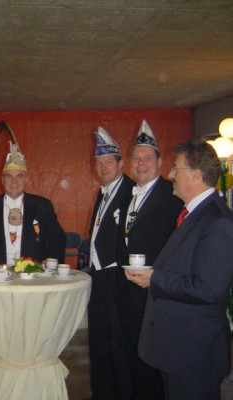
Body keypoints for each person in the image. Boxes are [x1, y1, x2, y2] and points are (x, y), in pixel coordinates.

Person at [127, 141, 233, 400]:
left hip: (194, 352)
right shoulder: (193, 214)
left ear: (196, 175)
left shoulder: (218, 221)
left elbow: (208, 289)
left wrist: (155, 278)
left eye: (176, 169)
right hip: (177, 348)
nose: (170, 175)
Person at [114, 120, 183, 400]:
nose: (141, 163)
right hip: (128, 293)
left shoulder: (172, 195)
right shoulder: (127, 195)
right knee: (132, 356)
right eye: (136, 158)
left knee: (151, 361)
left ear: (159, 162)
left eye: (147, 158)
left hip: (154, 293)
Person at [86, 127, 135, 400]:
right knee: (99, 341)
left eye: (108, 162)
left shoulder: (131, 192)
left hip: (117, 279)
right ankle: (101, 392)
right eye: (99, 162)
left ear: (121, 163)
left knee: (118, 345)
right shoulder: (102, 193)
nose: (103, 167)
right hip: (99, 278)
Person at [0, 142, 65, 265]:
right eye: (9, 176)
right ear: (2, 180)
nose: (14, 182)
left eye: (19, 176)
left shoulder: (42, 206)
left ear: (27, 179)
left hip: (33, 272)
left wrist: (50, 261)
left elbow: (58, 238)